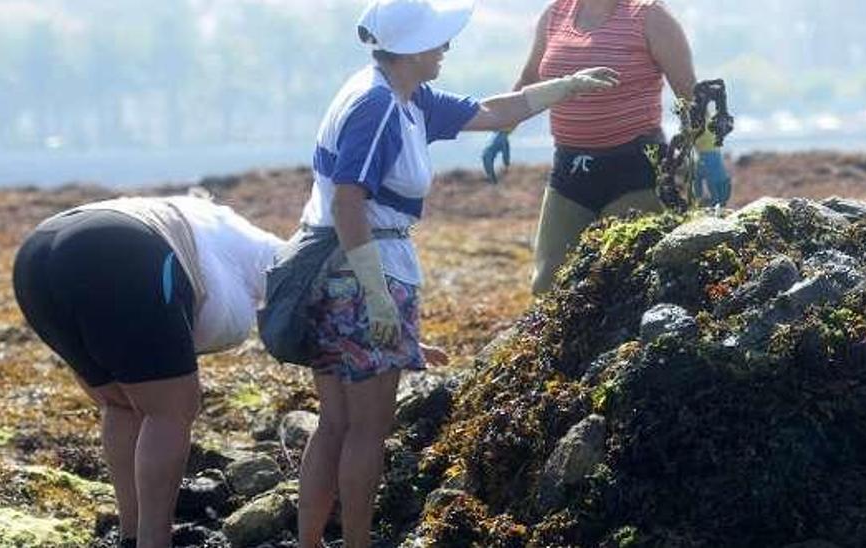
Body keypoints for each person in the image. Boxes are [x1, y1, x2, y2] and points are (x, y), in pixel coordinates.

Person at [291, 1, 619, 545]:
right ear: (412, 48)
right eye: (439, 40)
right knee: (366, 428)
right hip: (360, 271)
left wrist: (566, 86)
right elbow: (349, 203)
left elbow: (492, 111)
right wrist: (377, 297)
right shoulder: (378, 107)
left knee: (335, 423)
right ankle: (355, 541)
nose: (446, 47)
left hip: (336, 271)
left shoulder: (404, 95)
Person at [10, 195, 284, 548]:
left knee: (122, 404)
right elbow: (290, 294)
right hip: (118, 250)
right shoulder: (265, 253)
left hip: (36, 255)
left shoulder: (217, 228)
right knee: (172, 410)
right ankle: (154, 539)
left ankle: (132, 533)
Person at [480, 0, 732, 294]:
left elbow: (689, 94)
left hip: (635, 170)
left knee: (623, 282)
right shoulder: (556, 13)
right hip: (570, 170)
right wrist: (503, 130)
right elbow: (529, 78)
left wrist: (709, 154)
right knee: (547, 285)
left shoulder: (650, 15)